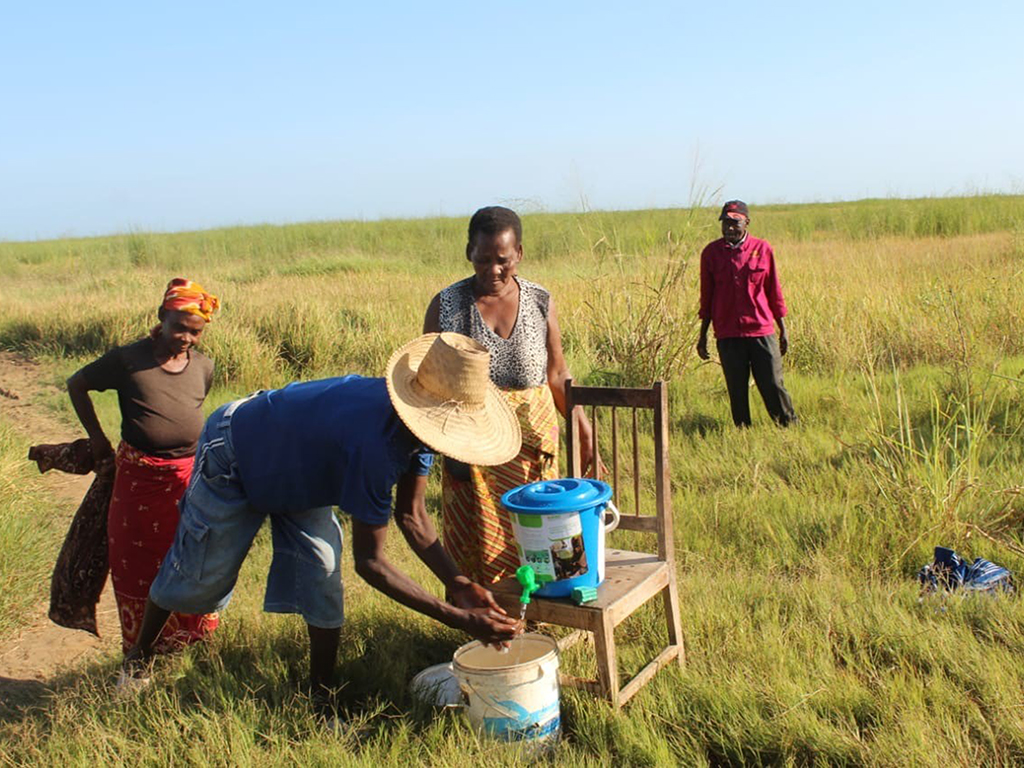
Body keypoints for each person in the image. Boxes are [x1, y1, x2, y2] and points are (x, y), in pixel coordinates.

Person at [122, 332, 523, 709]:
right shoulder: (377, 445)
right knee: (198, 582)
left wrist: (458, 583)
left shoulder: (422, 430)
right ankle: (137, 660)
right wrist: (454, 616)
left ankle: (321, 699)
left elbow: (413, 516)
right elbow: (371, 564)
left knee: (323, 574)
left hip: (303, 471)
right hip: (238, 452)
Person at [423, 206, 597, 585]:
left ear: (519, 252)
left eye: (503, 260)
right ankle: (490, 626)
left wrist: (582, 428)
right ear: (468, 251)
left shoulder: (539, 301)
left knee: (541, 540)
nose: (493, 270)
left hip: (533, 450)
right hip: (473, 451)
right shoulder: (447, 305)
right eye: (482, 259)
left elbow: (557, 373)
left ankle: (545, 614)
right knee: (481, 551)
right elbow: (426, 384)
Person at [66, 278, 221, 656]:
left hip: (189, 482)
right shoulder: (128, 360)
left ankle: (186, 648)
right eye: (179, 327)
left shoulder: (203, 367)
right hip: (138, 481)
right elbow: (77, 384)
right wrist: (98, 439)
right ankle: (141, 653)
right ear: (160, 317)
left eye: (195, 332)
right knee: (137, 566)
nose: (186, 337)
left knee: (190, 561)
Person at [697, 200, 797, 427]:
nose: (729, 228)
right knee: (736, 388)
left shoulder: (762, 249)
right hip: (728, 333)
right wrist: (702, 336)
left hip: (761, 331)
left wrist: (783, 329)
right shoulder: (711, 254)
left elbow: (774, 292)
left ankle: (789, 427)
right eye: (725, 223)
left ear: (746, 223)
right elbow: (707, 297)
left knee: (772, 383)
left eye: (735, 223)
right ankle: (743, 433)